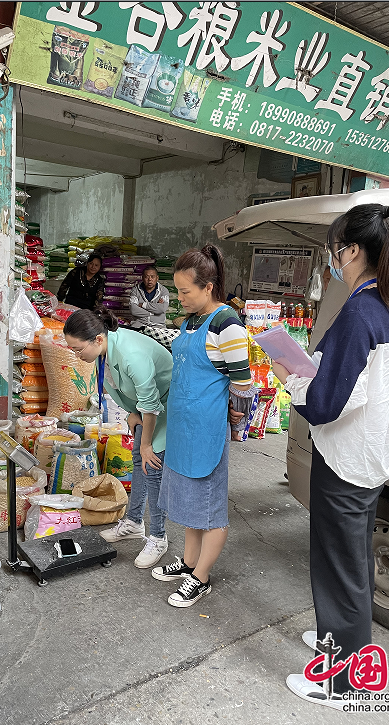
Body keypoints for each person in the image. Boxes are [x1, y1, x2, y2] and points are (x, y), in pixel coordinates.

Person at [272, 204, 389, 709]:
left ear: (352, 250)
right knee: (350, 559)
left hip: (347, 457)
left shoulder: (359, 310)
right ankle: (339, 642)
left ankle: (346, 678)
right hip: (373, 453)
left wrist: (294, 378)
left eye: (335, 250)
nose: (333, 260)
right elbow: (362, 380)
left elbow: (329, 401)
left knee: (340, 567)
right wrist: (318, 367)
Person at [153, 244, 252, 608]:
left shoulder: (228, 324)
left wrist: (238, 412)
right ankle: (188, 562)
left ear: (208, 287)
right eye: (177, 291)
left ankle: (202, 576)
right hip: (183, 429)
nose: (179, 300)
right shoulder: (191, 322)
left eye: (184, 292)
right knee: (189, 502)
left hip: (206, 431)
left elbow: (242, 383)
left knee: (209, 509)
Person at [63, 307, 173, 568]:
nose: (76, 355)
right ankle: (134, 522)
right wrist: (132, 414)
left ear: (98, 339)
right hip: (146, 407)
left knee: (152, 464)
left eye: (78, 349)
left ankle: (159, 537)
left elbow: (151, 402)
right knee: (138, 460)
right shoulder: (105, 349)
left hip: (168, 404)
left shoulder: (131, 355)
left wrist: (146, 443)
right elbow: (130, 391)